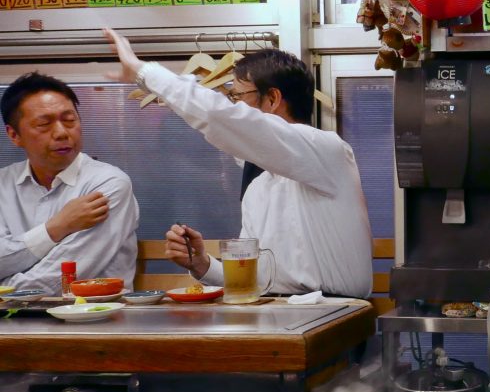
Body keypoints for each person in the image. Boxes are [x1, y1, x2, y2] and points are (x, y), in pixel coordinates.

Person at [103, 29, 373, 299]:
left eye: (238, 97)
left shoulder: (327, 150)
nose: (234, 106)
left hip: (335, 313)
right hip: (276, 313)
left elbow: (224, 119)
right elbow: (257, 279)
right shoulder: (259, 185)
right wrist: (202, 264)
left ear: (273, 99)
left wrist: (144, 72)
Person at [0, 72, 139, 291]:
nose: (62, 133)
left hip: (96, 319)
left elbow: (64, 276)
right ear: (14, 135)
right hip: (12, 320)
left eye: (69, 120)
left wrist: (5, 290)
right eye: (44, 124)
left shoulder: (107, 184)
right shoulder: (2, 184)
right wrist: (55, 228)